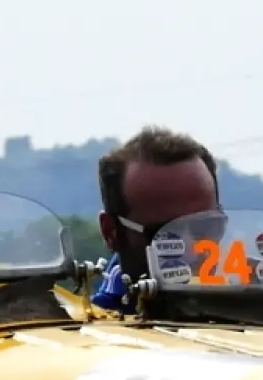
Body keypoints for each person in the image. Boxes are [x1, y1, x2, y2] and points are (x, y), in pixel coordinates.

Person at [90, 127, 223, 311]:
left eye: (205, 227)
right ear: (111, 232)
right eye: (164, 235)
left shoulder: (260, 304)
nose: (191, 253)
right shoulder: (88, 333)